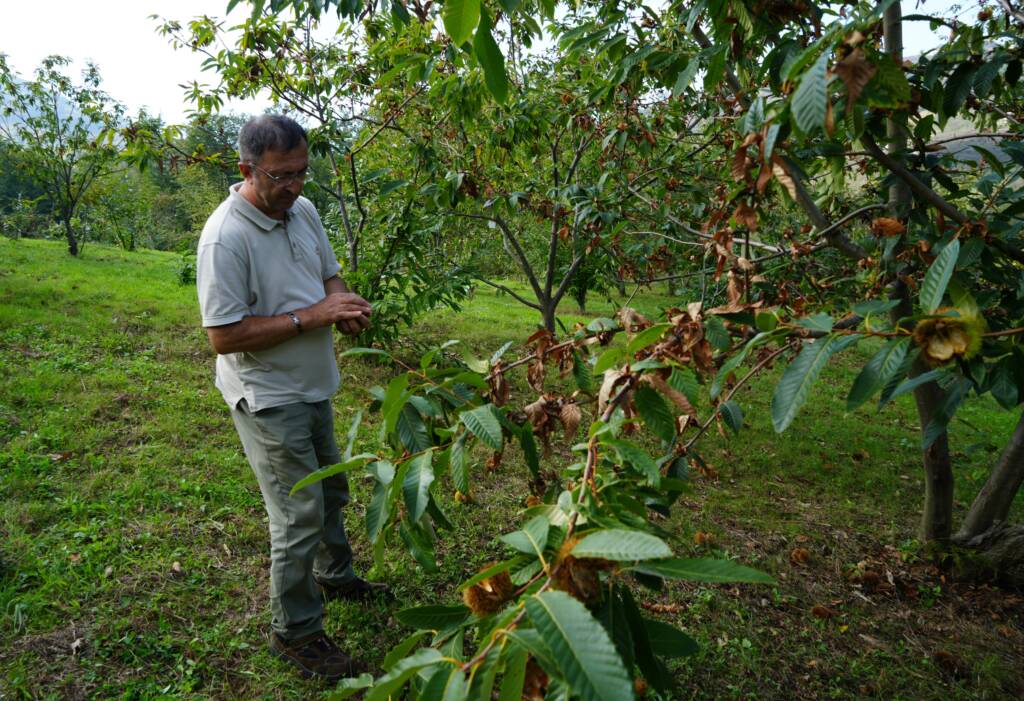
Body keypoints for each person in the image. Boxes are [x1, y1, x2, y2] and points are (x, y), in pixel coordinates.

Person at [196, 114, 387, 682]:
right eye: (282, 176)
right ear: (246, 170)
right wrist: (311, 318)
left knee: (331, 488)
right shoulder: (225, 238)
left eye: (303, 172)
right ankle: (296, 632)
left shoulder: (301, 209)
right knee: (297, 513)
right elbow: (222, 335)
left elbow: (328, 275)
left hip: (313, 382)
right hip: (267, 393)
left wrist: (343, 304)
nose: (296, 185)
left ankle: (336, 576)